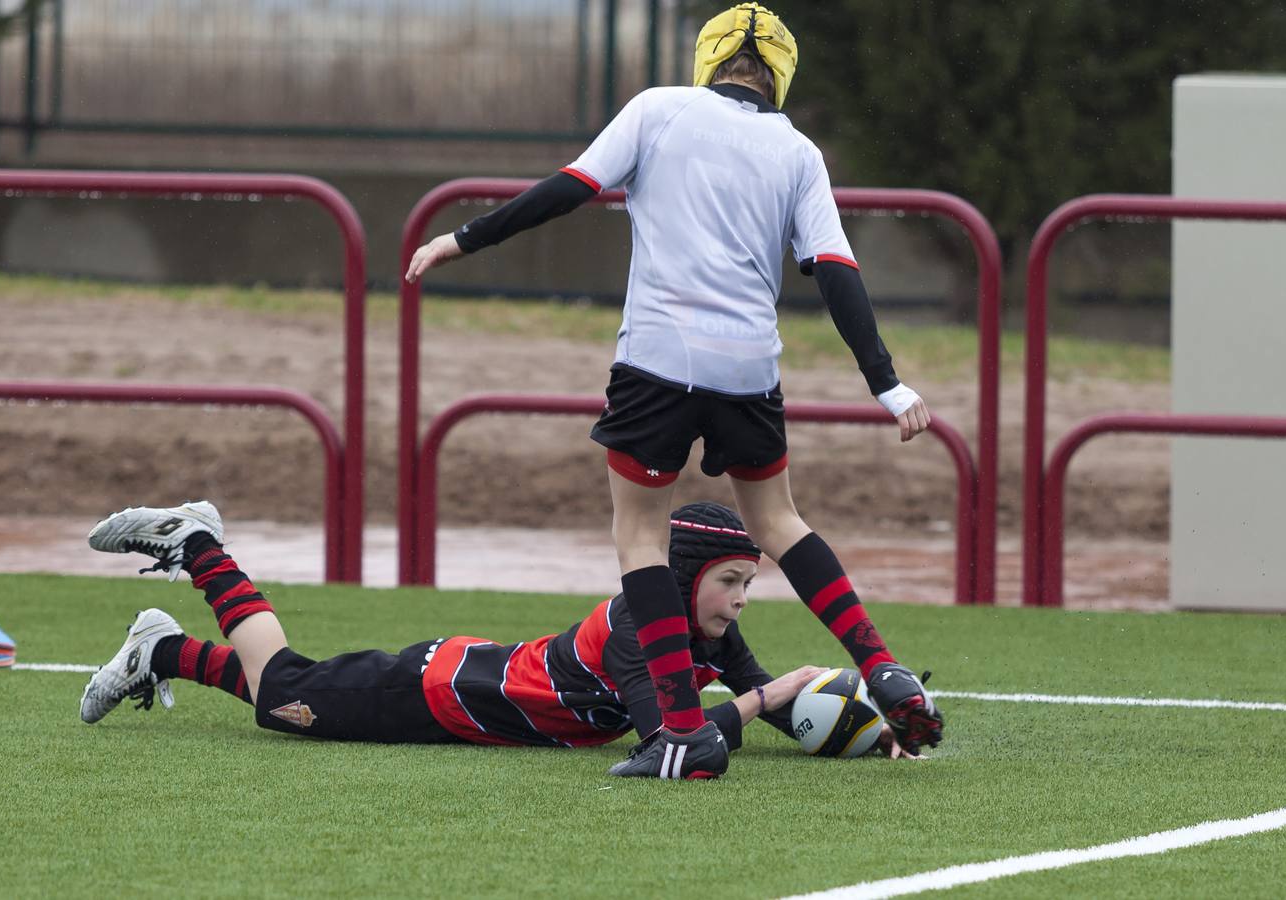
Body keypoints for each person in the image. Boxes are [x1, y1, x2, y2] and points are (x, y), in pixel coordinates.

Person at [403, 3, 942, 778]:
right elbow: (837, 273)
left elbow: (566, 189)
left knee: (640, 539)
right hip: (749, 370)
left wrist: (462, 238)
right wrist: (886, 385)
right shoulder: (796, 149)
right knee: (779, 522)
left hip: (656, 364)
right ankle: (883, 665)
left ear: (708, 57)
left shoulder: (658, 108)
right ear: (780, 74)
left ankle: (683, 735)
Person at [78, 500, 925, 767]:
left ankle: (159, 650)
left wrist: (861, 729)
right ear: (685, 577)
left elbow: (759, 699)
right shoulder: (642, 626)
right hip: (433, 693)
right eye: (733, 582)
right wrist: (777, 692)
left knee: (291, 688)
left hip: (461, 683)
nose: (742, 600)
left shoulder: (694, 626)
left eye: (748, 583)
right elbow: (672, 741)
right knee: (284, 693)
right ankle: (198, 544)